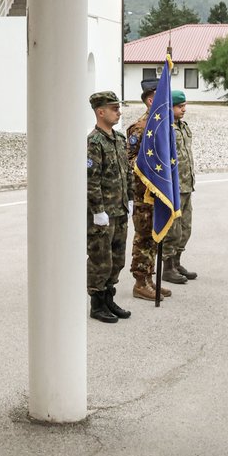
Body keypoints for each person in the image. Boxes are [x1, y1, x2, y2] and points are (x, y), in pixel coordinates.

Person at [85, 90, 133, 321]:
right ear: (100, 111)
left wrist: (130, 198)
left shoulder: (120, 139)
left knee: (117, 259)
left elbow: (127, 172)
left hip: (120, 210)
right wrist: (98, 211)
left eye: (118, 108)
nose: (118, 112)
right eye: (114, 109)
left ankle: (109, 298)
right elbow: (91, 180)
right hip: (103, 214)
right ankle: (97, 303)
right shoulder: (94, 142)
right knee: (100, 259)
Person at [126, 79, 170, 301]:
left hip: (158, 193)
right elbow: (131, 160)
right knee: (143, 237)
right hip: (144, 193)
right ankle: (140, 282)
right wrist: (151, 174)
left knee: (154, 237)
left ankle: (150, 279)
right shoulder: (139, 128)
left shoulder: (161, 127)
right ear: (152, 100)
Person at [162, 90, 197, 284]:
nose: (184, 109)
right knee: (172, 230)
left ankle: (177, 262)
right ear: (170, 107)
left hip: (186, 185)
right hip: (174, 187)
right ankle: (167, 268)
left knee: (186, 228)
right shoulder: (166, 129)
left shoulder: (183, 126)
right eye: (179, 106)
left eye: (184, 105)